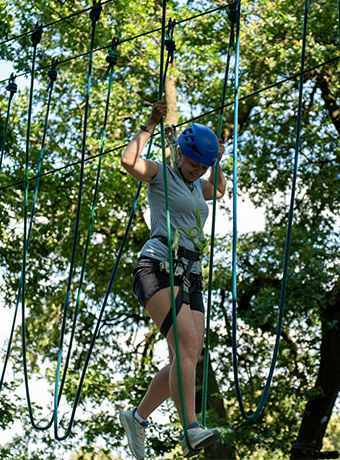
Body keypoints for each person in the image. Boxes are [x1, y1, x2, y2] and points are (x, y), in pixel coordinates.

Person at [119, 100, 226, 459]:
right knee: (183, 344)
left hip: (190, 273)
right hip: (158, 266)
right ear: (180, 152)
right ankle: (192, 429)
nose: (197, 171)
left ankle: (137, 417)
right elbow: (129, 162)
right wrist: (150, 123)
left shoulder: (199, 187)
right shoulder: (161, 174)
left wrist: (218, 161)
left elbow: (219, 190)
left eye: (202, 166)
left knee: (189, 354)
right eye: (194, 163)